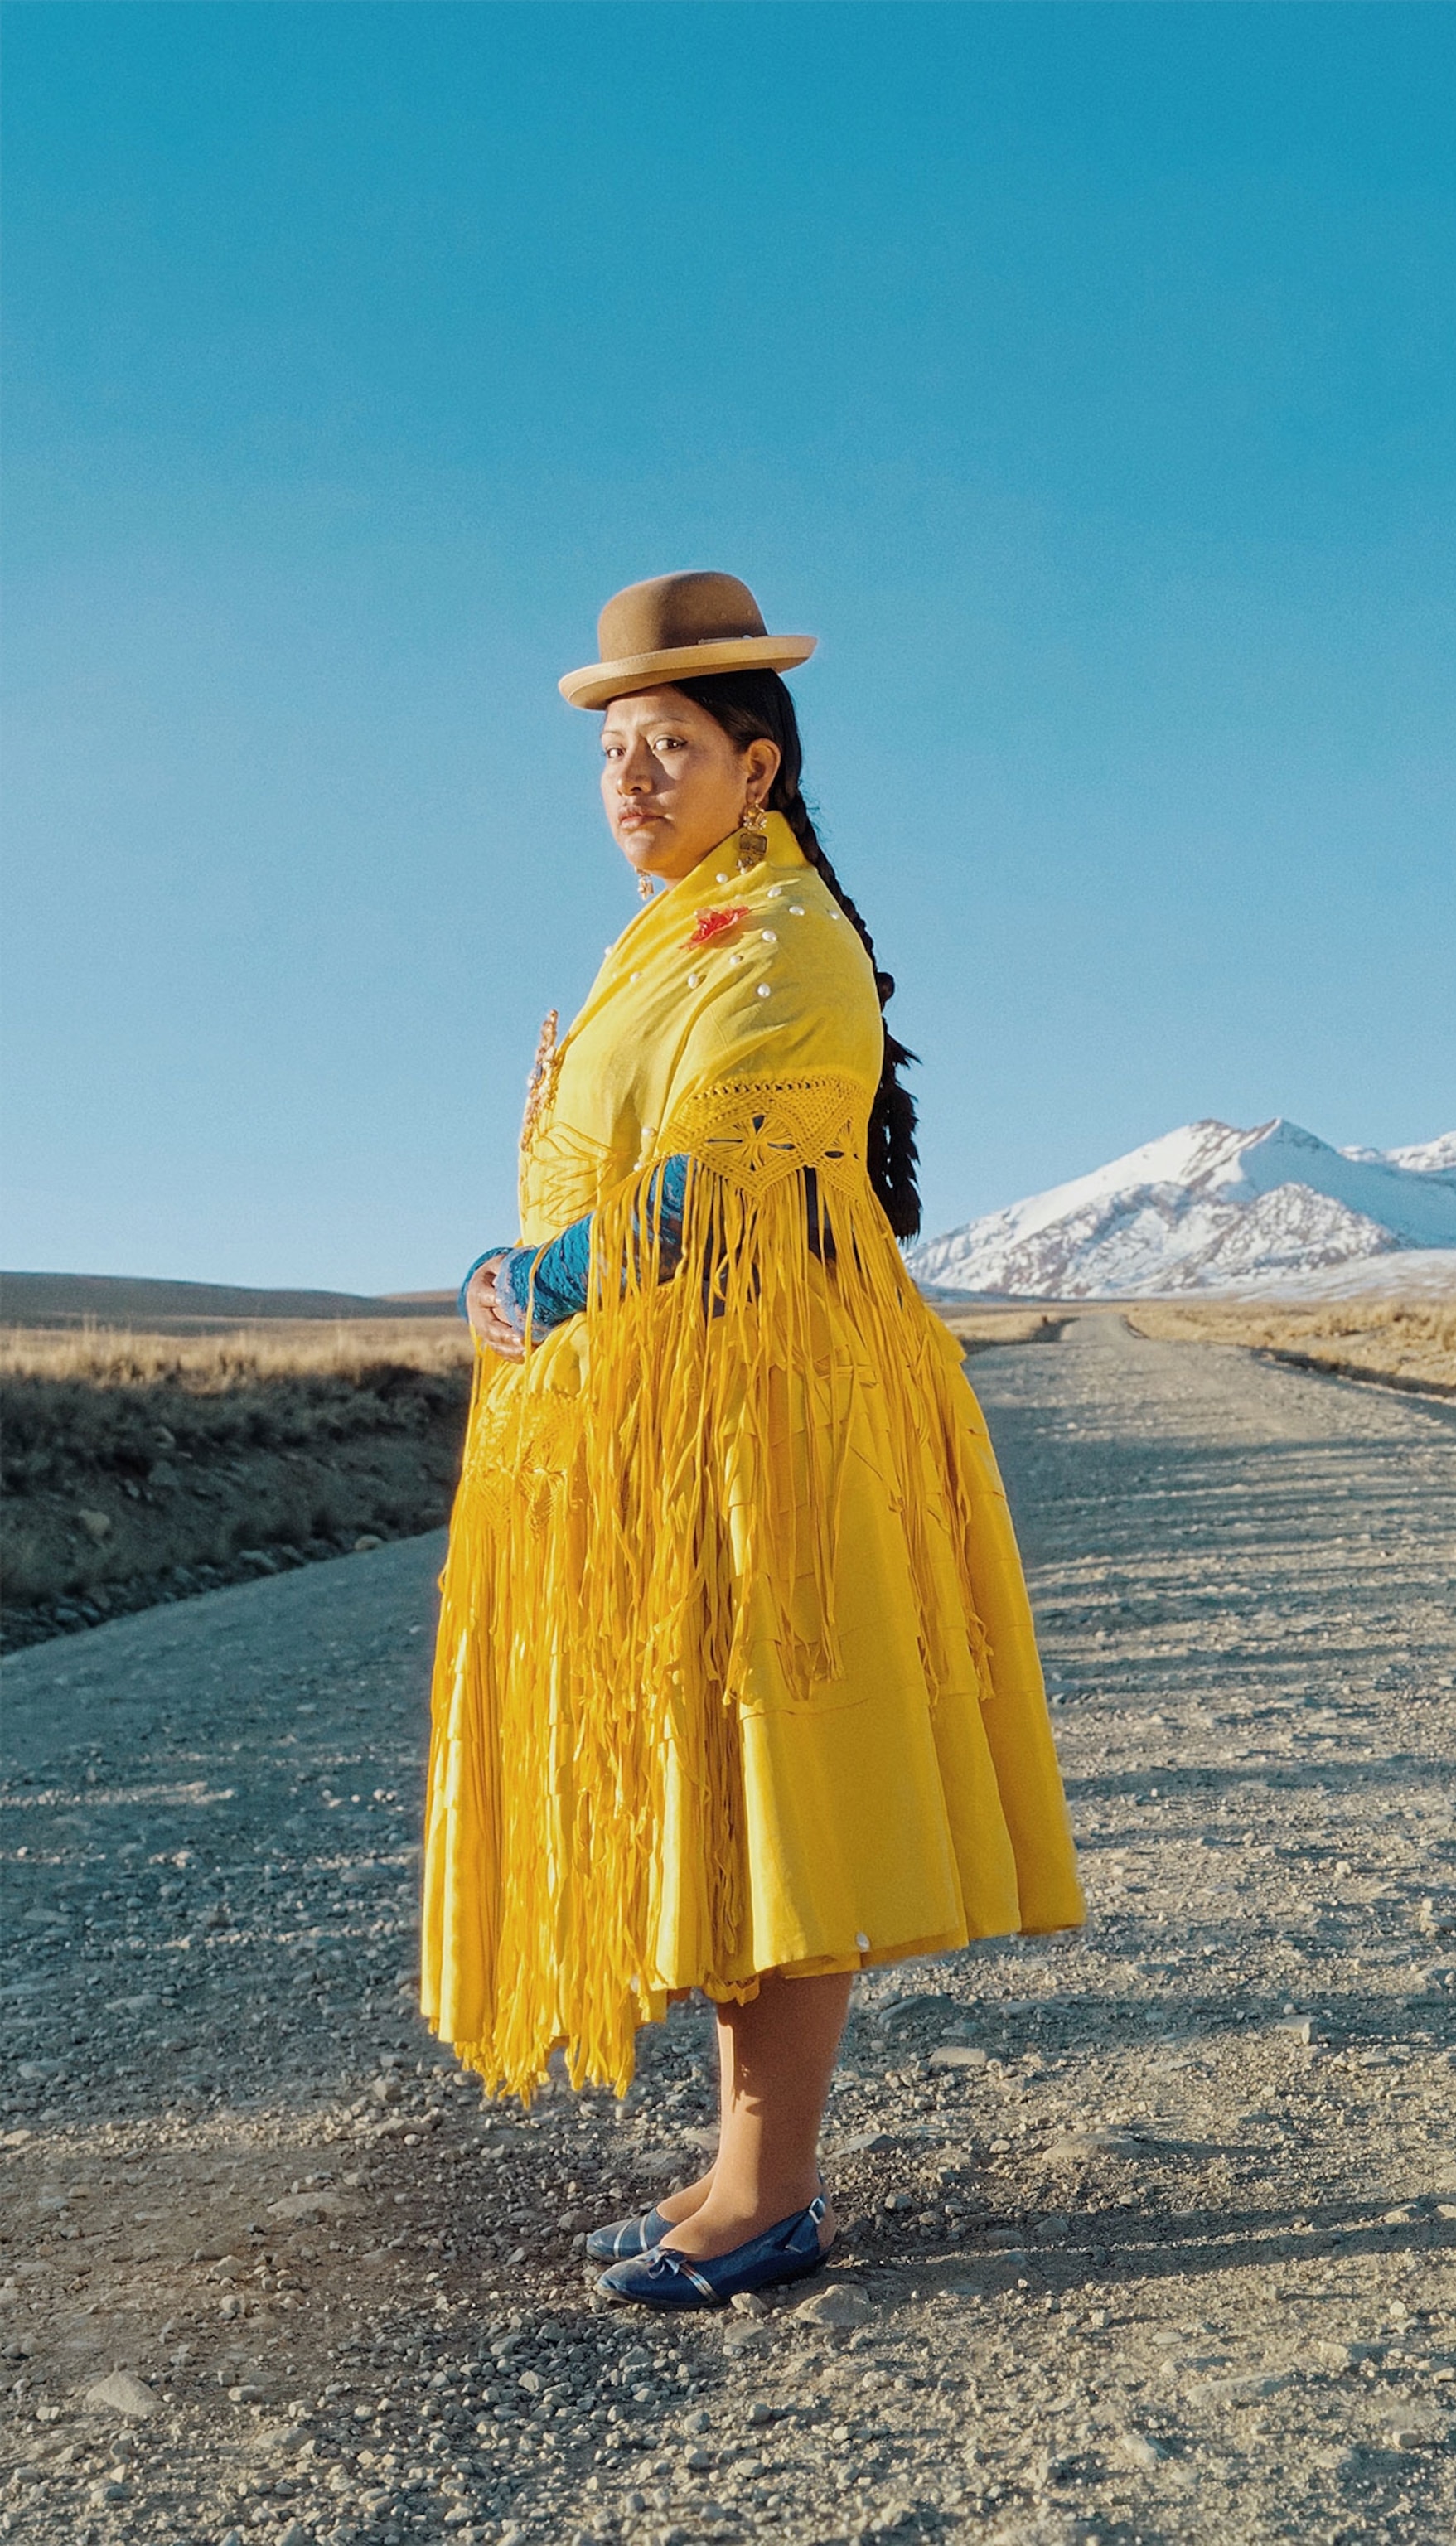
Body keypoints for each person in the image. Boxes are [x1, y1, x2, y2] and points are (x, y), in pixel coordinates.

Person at [422, 570, 1082, 2311]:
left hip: (767, 1428)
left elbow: (718, 1180)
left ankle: (771, 2193)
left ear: (758, 771)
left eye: (672, 747)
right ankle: (738, 2166)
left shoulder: (785, 948)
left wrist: (531, 1277)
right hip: (666, 1423)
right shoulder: (670, 939)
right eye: (617, 750)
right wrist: (511, 1278)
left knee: (775, 1790)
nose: (631, 778)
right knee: (714, 1794)